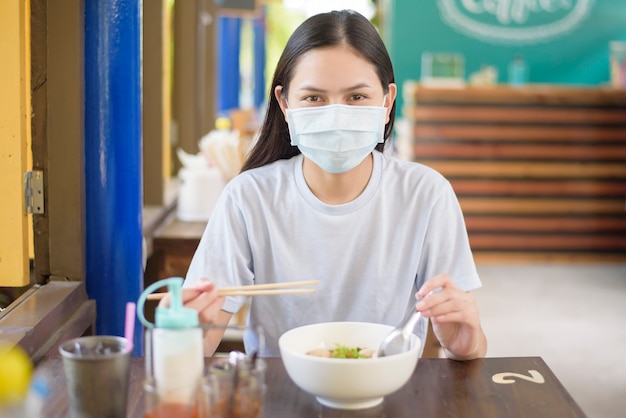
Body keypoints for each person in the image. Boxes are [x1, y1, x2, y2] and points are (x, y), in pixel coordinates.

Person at [177, 9, 487, 360]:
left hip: (389, 392)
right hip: (280, 396)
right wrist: (187, 329)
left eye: (356, 97)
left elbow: (466, 347)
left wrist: (465, 339)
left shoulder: (426, 194)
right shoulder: (248, 197)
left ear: (387, 102)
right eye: (314, 98)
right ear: (285, 103)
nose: (336, 114)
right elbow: (197, 344)